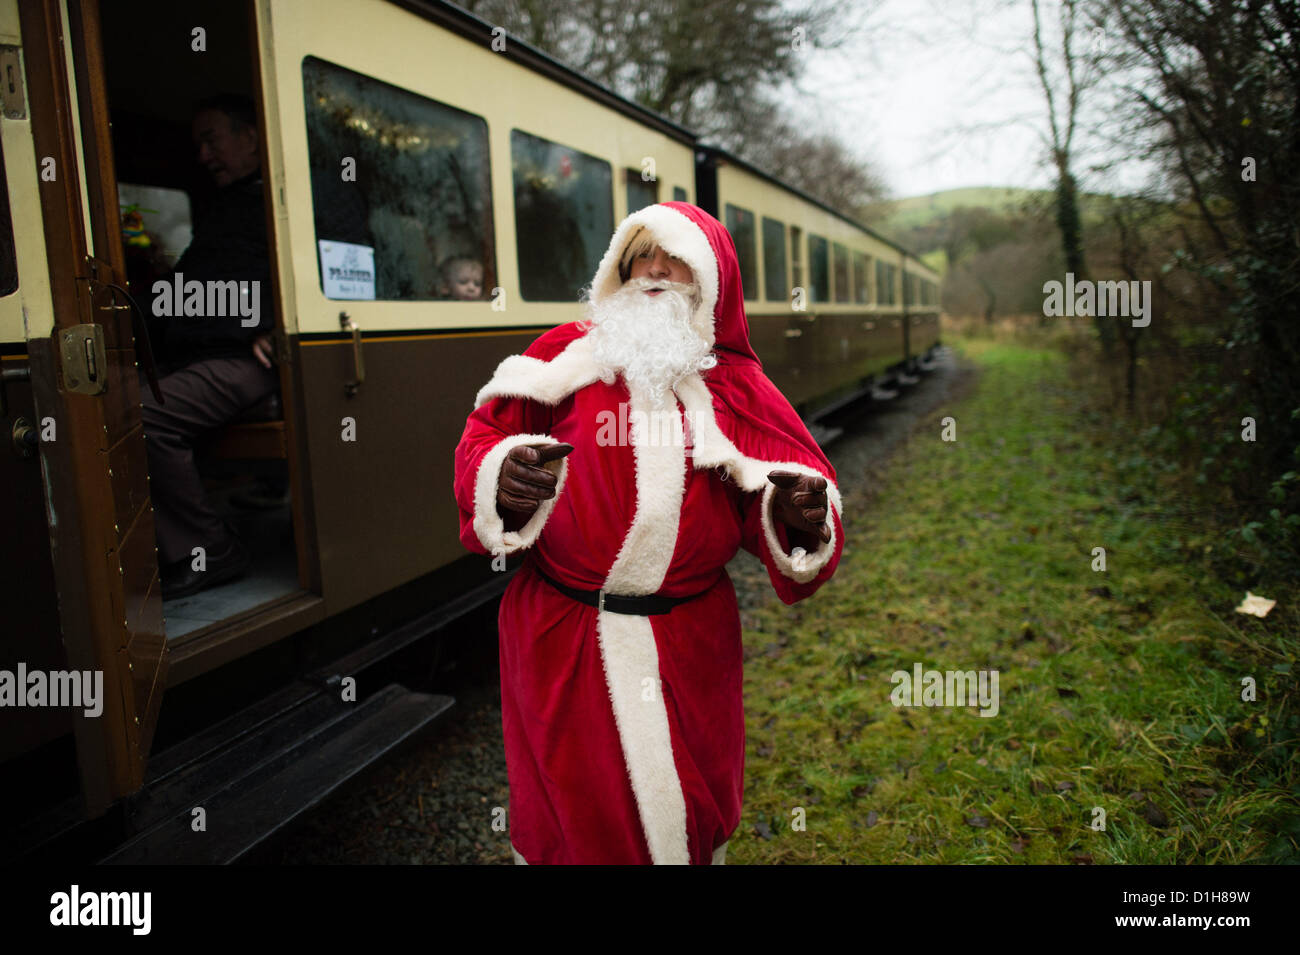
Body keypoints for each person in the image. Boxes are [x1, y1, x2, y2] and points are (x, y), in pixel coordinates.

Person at [453, 201, 845, 864]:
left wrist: (795, 514)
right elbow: (484, 435)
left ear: (712, 283)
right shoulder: (561, 357)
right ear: (618, 268)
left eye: (677, 262)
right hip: (562, 638)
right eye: (642, 257)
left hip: (688, 644)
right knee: (567, 816)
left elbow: (783, 489)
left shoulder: (740, 387)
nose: (655, 272)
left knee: (688, 808)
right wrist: (499, 472)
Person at [141, 93, 279, 599]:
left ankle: (208, 547)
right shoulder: (226, 205)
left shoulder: (278, 199)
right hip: (209, 351)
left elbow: (316, 267)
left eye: (211, 139)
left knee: (142, 414)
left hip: (248, 357)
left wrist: (274, 323)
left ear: (249, 138)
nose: (203, 156)